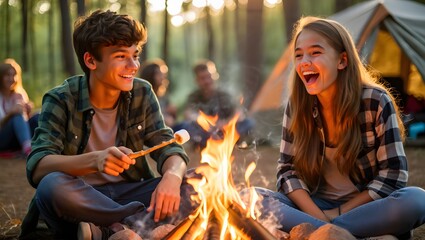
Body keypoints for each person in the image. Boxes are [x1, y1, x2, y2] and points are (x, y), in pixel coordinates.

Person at [20, 10, 196, 240]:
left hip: (131, 192)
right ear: (91, 60)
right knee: (50, 185)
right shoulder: (61, 98)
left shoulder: (142, 91)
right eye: (121, 56)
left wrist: (172, 176)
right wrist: (96, 160)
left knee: (199, 179)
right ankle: (138, 225)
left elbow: (167, 145)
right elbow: (38, 166)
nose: (133, 65)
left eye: (136, 54)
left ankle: (107, 231)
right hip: (80, 199)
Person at [252, 16, 425, 239]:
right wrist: (319, 218)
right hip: (314, 206)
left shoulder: (376, 101)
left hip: (366, 209)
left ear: (342, 60)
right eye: (298, 55)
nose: (304, 61)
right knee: (250, 197)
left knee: (417, 200)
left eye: (315, 52)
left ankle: (320, 233)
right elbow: (288, 171)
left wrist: (336, 215)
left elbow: (393, 174)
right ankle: (340, 234)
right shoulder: (297, 106)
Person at [176, 59, 255, 149]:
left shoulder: (224, 95)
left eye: (209, 76)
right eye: (202, 78)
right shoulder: (194, 97)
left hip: (224, 130)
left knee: (248, 122)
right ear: (197, 80)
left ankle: (228, 142)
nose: (207, 81)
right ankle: (204, 143)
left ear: (215, 76)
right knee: (184, 126)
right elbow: (188, 114)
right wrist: (206, 124)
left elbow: (238, 113)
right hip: (204, 132)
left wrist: (225, 123)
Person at [0, 58, 38, 157]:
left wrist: (28, 112)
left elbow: (23, 122)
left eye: (14, 75)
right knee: (16, 116)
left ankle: (44, 146)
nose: (12, 79)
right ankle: (28, 150)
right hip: (3, 139)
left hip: (18, 140)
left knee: (38, 116)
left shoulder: (19, 94)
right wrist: (11, 113)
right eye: (7, 75)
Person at [140, 58, 177, 128]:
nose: (163, 77)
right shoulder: (143, 96)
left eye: (164, 74)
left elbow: (172, 119)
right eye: (159, 74)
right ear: (150, 75)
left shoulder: (163, 96)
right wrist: (164, 118)